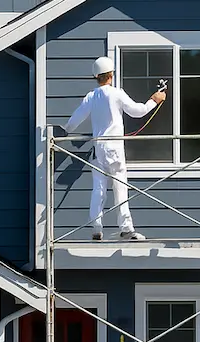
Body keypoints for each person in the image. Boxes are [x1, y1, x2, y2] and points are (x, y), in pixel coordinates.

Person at [61, 56, 167, 241]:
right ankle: (126, 228)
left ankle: (96, 228)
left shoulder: (91, 96)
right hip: (114, 147)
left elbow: (75, 120)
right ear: (111, 74)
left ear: (96, 76)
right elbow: (138, 111)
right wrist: (154, 100)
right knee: (120, 187)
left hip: (98, 148)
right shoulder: (116, 93)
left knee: (98, 188)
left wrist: (63, 131)